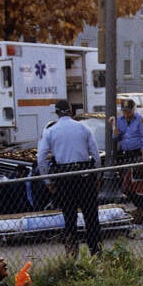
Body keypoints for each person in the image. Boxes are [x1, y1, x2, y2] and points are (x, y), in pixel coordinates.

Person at [37, 99, 102, 256]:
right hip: (84, 176)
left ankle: (72, 253)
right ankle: (96, 251)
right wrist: (97, 175)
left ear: (57, 112)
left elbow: (41, 158)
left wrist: (48, 181)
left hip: (65, 177)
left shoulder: (50, 131)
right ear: (71, 110)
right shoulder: (83, 128)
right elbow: (96, 154)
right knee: (91, 216)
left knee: (69, 216)